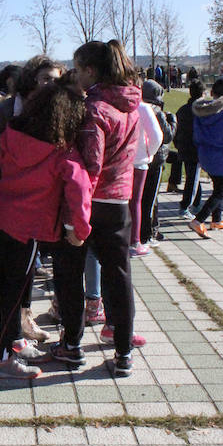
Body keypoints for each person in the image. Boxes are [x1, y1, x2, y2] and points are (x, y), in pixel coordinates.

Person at [0, 82, 92, 379]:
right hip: (27, 226)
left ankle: (14, 343)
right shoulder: (62, 151)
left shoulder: (13, 133)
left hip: (2, 216)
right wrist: (79, 229)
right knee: (14, 294)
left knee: (8, 285)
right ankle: (4, 359)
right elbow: (80, 188)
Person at [52, 40, 141, 377]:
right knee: (119, 277)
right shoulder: (131, 102)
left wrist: (76, 218)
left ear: (90, 70)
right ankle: (123, 352)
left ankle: (72, 346)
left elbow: (91, 165)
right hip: (120, 203)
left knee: (70, 273)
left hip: (91, 203)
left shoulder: (95, 109)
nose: (74, 76)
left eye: (76, 69)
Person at [0, 55, 65, 342]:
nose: (52, 84)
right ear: (31, 79)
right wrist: (2, 192)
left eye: (57, 80)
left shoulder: (53, 111)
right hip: (3, 207)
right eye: (46, 78)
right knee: (12, 273)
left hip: (36, 210)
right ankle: (12, 339)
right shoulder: (4, 113)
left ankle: (23, 321)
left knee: (26, 268)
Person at [188, 78, 223, 239]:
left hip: (205, 153)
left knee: (217, 186)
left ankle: (216, 219)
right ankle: (199, 220)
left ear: (212, 93)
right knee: (220, 192)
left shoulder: (201, 111)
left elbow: (196, 134)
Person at [128, 88, 164, 257]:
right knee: (135, 202)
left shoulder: (117, 104)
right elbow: (157, 136)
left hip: (122, 161)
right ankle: (134, 241)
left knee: (123, 202)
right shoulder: (143, 108)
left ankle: (126, 239)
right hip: (139, 161)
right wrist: (148, 153)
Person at [138, 80, 174, 248]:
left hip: (141, 159)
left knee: (144, 198)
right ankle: (146, 234)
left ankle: (151, 229)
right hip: (155, 159)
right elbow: (166, 136)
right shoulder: (156, 111)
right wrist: (172, 122)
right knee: (150, 200)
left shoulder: (137, 108)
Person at [175, 79, 206, 219]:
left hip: (183, 146)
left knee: (193, 176)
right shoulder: (201, 111)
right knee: (192, 178)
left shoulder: (182, 110)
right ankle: (184, 206)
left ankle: (197, 202)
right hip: (195, 148)